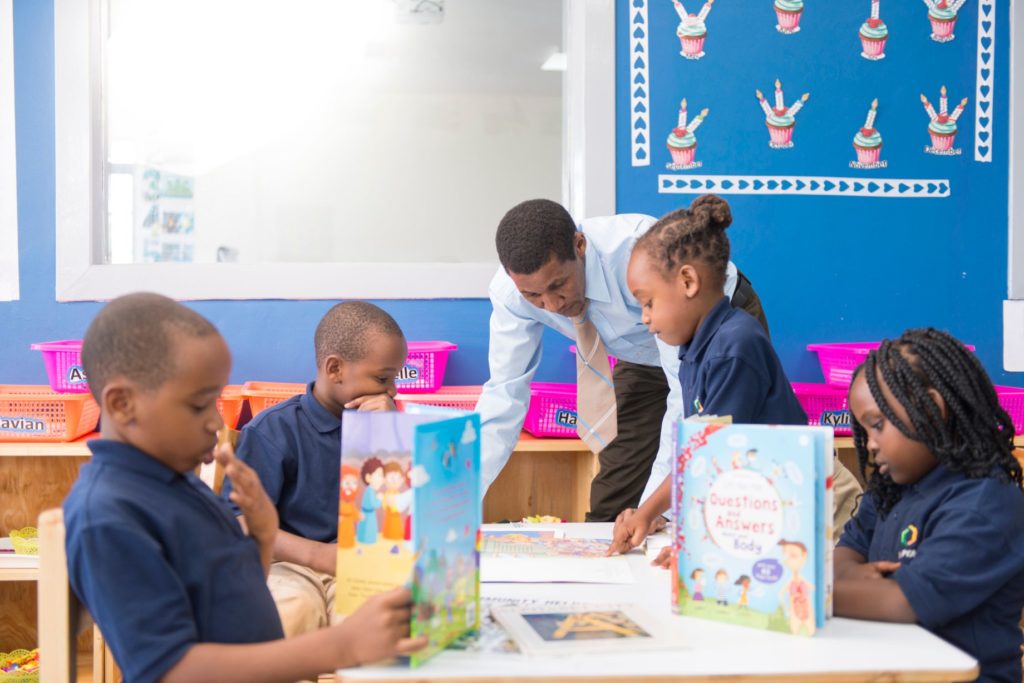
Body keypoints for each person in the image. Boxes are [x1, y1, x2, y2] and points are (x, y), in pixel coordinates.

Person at [65, 293, 424, 683]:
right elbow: (169, 669)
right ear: (122, 405)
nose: (216, 422)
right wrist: (342, 646)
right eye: (200, 405)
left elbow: (232, 586)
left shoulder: (175, 484)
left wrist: (263, 538)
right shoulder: (107, 516)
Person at [476, 198, 770, 522]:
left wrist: (656, 512)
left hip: (708, 325)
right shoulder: (510, 293)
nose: (552, 305)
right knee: (614, 501)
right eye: (533, 295)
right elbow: (504, 395)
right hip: (638, 351)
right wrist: (460, 496)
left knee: (720, 471)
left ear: (580, 245)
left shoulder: (640, 253)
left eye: (558, 285)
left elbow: (683, 397)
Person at [607, 195, 860, 557]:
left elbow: (712, 456)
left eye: (648, 303)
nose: (645, 318)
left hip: (817, 510)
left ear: (688, 281)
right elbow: (705, 456)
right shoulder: (694, 349)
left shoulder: (734, 347)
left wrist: (662, 522)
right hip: (767, 504)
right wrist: (661, 519)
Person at [835, 328, 1024, 682]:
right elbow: (843, 557)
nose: (870, 444)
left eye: (878, 425)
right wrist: (857, 581)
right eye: (864, 432)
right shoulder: (890, 488)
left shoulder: (985, 501)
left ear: (932, 407)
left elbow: (903, 603)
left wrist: (805, 598)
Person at [222, 301, 407, 637]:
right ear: (335, 369)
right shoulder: (273, 430)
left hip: (363, 566)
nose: (392, 390)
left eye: (396, 378)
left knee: (372, 622)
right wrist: (320, 555)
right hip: (287, 566)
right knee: (293, 610)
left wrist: (393, 436)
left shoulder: (388, 423)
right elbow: (237, 521)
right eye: (383, 378)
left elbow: (405, 510)